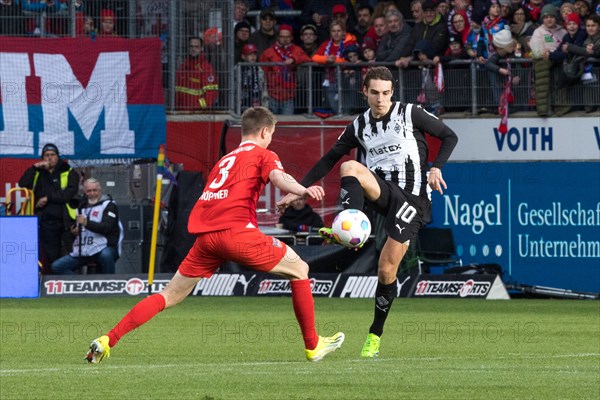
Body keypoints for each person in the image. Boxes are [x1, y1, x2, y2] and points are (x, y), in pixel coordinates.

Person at [85, 107, 345, 364]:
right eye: (272, 134)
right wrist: (302, 190)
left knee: (168, 295)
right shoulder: (264, 154)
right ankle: (313, 346)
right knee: (300, 269)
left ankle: (108, 340)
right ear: (265, 131)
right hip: (238, 234)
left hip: (206, 239)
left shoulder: (224, 161)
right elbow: (279, 177)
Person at [280, 66, 458, 358]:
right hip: (383, 191)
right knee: (349, 166)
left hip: (413, 200)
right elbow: (330, 159)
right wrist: (299, 188)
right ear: (365, 92)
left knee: (386, 270)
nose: (380, 99)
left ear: (392, 92)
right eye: (374, 93)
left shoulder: (410, 113)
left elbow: (449, 136)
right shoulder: (359, 125)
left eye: (386, 93)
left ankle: (375, 334)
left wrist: (436, 166)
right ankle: (352, 224)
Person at [18, 143, 79, 270]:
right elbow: (22, 184)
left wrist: (48, 198)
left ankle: (73, 282)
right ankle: (58, 284)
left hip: (67, 221)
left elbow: (69, 193)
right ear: (42, 158)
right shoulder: (37, 172)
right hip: (46, 221)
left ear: (58, 157)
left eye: (52, 155)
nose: (49, 158)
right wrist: (34, 168)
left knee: (74, 254)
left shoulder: (68, 171)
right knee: (53, 258)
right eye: (46, 155)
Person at [51, 178, 122, 274]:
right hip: (84, 249)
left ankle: (109, 283)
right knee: (57, 266)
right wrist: (75, 231)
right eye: (89, 191)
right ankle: (79, 285)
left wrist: (86, 223)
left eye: (95, 190)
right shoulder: (81, 206)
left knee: (106, 256)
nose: (92, 193)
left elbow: (107, 227)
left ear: (100, 190)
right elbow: (79, 230)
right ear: (85, 192)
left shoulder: (109, 205)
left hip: (104, 246)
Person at [260, 24, 311, 115]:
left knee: (287, 124)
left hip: (288, 96)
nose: (285, 39)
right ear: (278, 37)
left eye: (287, 36)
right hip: (272, 94)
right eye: (282, 36)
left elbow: (306, 58)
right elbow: (262, 69)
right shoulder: (269, 52)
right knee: (271, 124)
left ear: (291, 37)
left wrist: (294, 59)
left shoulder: (296, 50)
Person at [530, 4, 566, 116]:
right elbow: (535, 47)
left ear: (556, 18)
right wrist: (543, 53)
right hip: (544, 58)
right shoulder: (538, 31)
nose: (549, 19)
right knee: (542, 77)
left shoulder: (563, 31)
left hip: (559, 57)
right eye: (546, 17)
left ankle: (562, 107)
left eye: (551, 16)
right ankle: (543, 109)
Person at [175, 37, 219, 110]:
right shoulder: (183, 67)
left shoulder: (206, 68)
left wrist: (201, 108)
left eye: (196, 46)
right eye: (191, 46)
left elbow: (211, 93)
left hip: (197, 112)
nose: (193, 49)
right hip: (181, 111)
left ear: (202, 48)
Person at [238, 43, 268, 111]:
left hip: (257, 105)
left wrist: (265, 106)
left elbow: (264, 89)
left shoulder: (259, 70)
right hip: (241, 106)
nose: (253, 56)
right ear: (243, 56)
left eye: (254, 54)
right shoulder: (237, 70)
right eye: (250, 54)